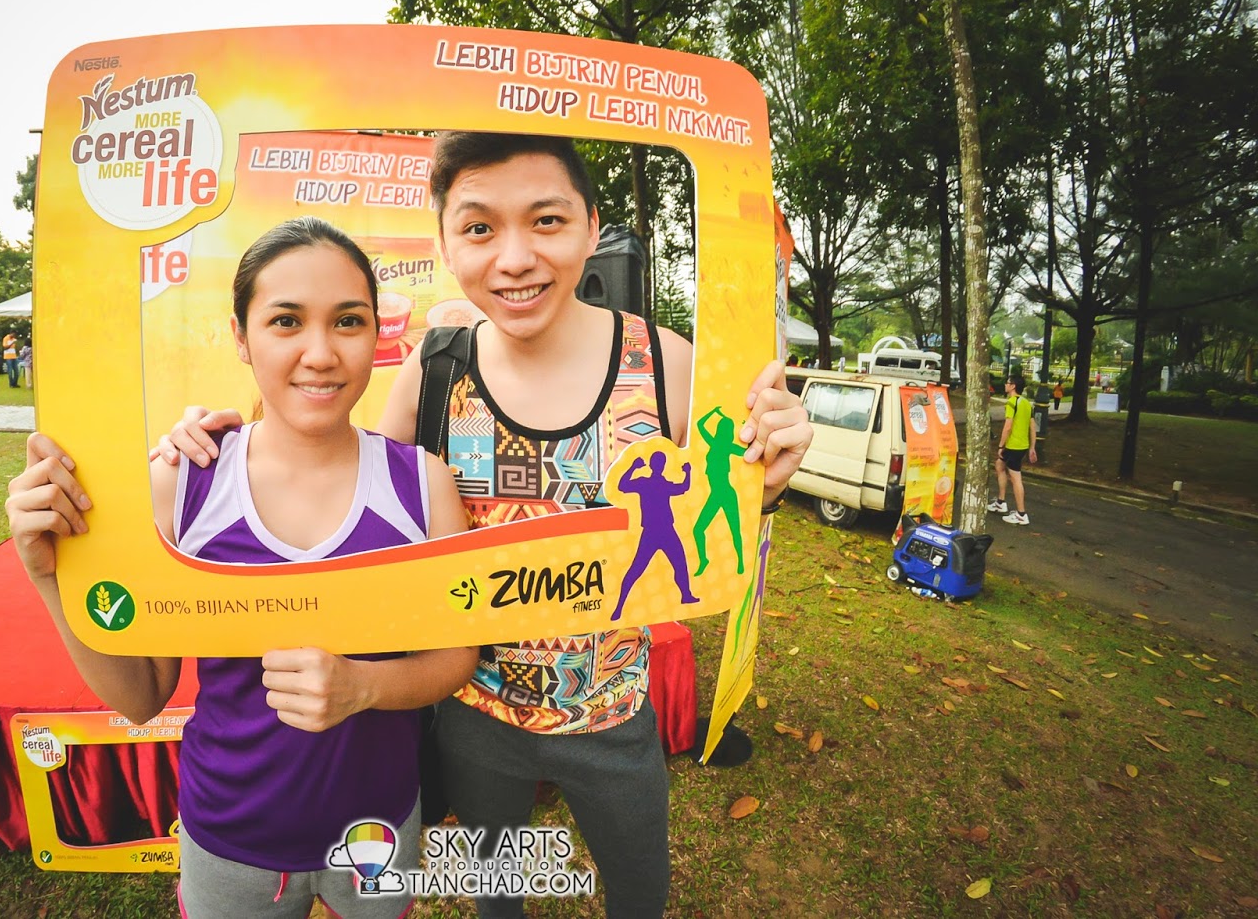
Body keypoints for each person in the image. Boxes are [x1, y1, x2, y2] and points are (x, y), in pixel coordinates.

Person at [157, 133, 812, 918]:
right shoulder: (434, 374)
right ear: (445, 244)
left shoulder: (668, 368)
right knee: (497, 898)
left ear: (591, 225)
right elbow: (355, 492)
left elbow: (712, 534)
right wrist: (214, 440)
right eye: (478, 228)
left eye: (546, 220)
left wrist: (763, 482)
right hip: (471, 722)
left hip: (613, 715)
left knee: (641, 895)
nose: (514, 258)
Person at [6, 217, 475, 918]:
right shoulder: (184, 483)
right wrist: (50, 577)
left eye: (347, 321)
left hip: (377, 828)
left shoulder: (422, 484)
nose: (320, 353)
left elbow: (456, 657)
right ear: (241, 337)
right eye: (286, 321)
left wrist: (365, 687)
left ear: (376, 335)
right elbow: (142, 696)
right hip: (229, 836)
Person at [988, 368, 1037, 525]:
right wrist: (1032, 447)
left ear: (1013, 386)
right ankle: (1001, 502)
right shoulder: (1026, 403)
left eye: (1007, 382)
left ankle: (1021, 514)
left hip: (1013, 446)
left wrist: (1001, 445)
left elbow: (1007, 426)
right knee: (999, 465)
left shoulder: (1012, 403)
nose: (1005, 384)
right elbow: (1032, 426)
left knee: (1016, 478)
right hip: (1021, 446)